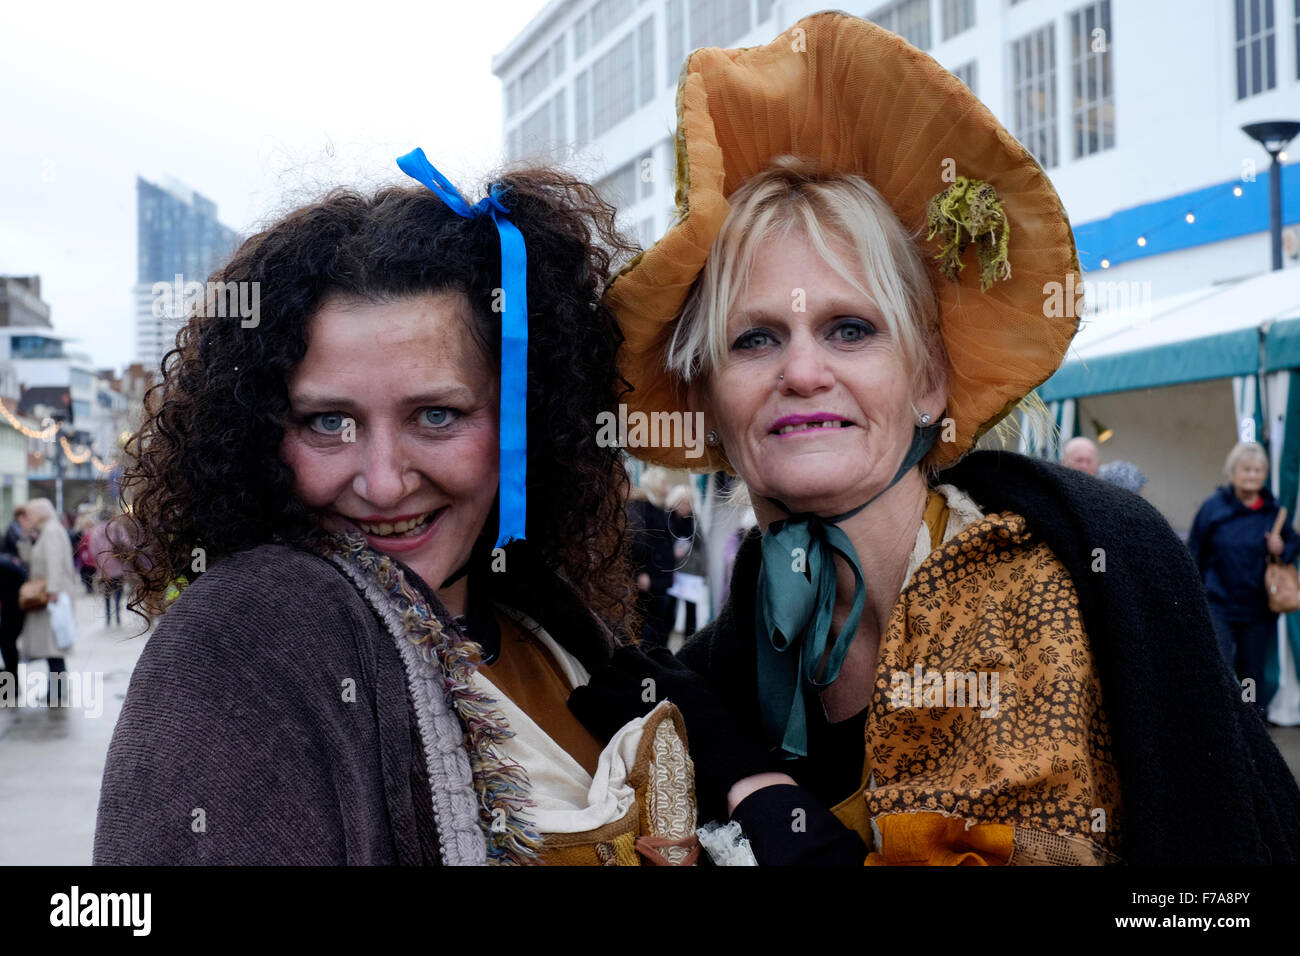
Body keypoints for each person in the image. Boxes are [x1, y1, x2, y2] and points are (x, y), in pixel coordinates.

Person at [575, 11, 1300, 864]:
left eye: (851, 330)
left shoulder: (1023, 589)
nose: (802, 373)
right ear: (708, 397)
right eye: (756, 339)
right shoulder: (732, 654)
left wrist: (753, 784)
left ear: (926, 383)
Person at [93, 152, 697, 865]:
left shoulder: (555, 629)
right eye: (327, 422)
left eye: (436, 415)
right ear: (258, 435)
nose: (383, 484)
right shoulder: (248, 640)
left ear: (524, 417)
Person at [1188, 441, 1300, 721]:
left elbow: (1292, 544)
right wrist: (1195, 592)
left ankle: (1252, 724)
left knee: (1251, 672)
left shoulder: (1272, 511)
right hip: (1218, 603)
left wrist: (1280, 548)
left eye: (1258, 470)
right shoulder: (1214, 507)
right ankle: (1220, 723)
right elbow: (1194, 550)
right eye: (1246, 469)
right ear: (1232, 471)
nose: (1252, 475)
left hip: (1257, 608)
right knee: (1220, 664)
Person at [16, 498, 78, 706]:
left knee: (54, 648)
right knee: (53, 648)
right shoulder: (46, 531)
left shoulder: (51, 531)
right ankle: (56, 691)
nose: (29, 518)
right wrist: (24, 537)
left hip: (51, 599)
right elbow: (30, 559)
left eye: (31, 514)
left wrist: (52, 590)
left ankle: (57, 692)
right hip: (49, 597)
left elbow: (54, 563)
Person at [627, 468, 678, 648]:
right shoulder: (643, 507)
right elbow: (637, 542)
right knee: (648, 630)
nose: (668, 486)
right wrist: (641, 572)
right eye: (665, 482)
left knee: (660, 627)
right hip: (649, 580)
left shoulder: (660, 507)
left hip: (660, 579)